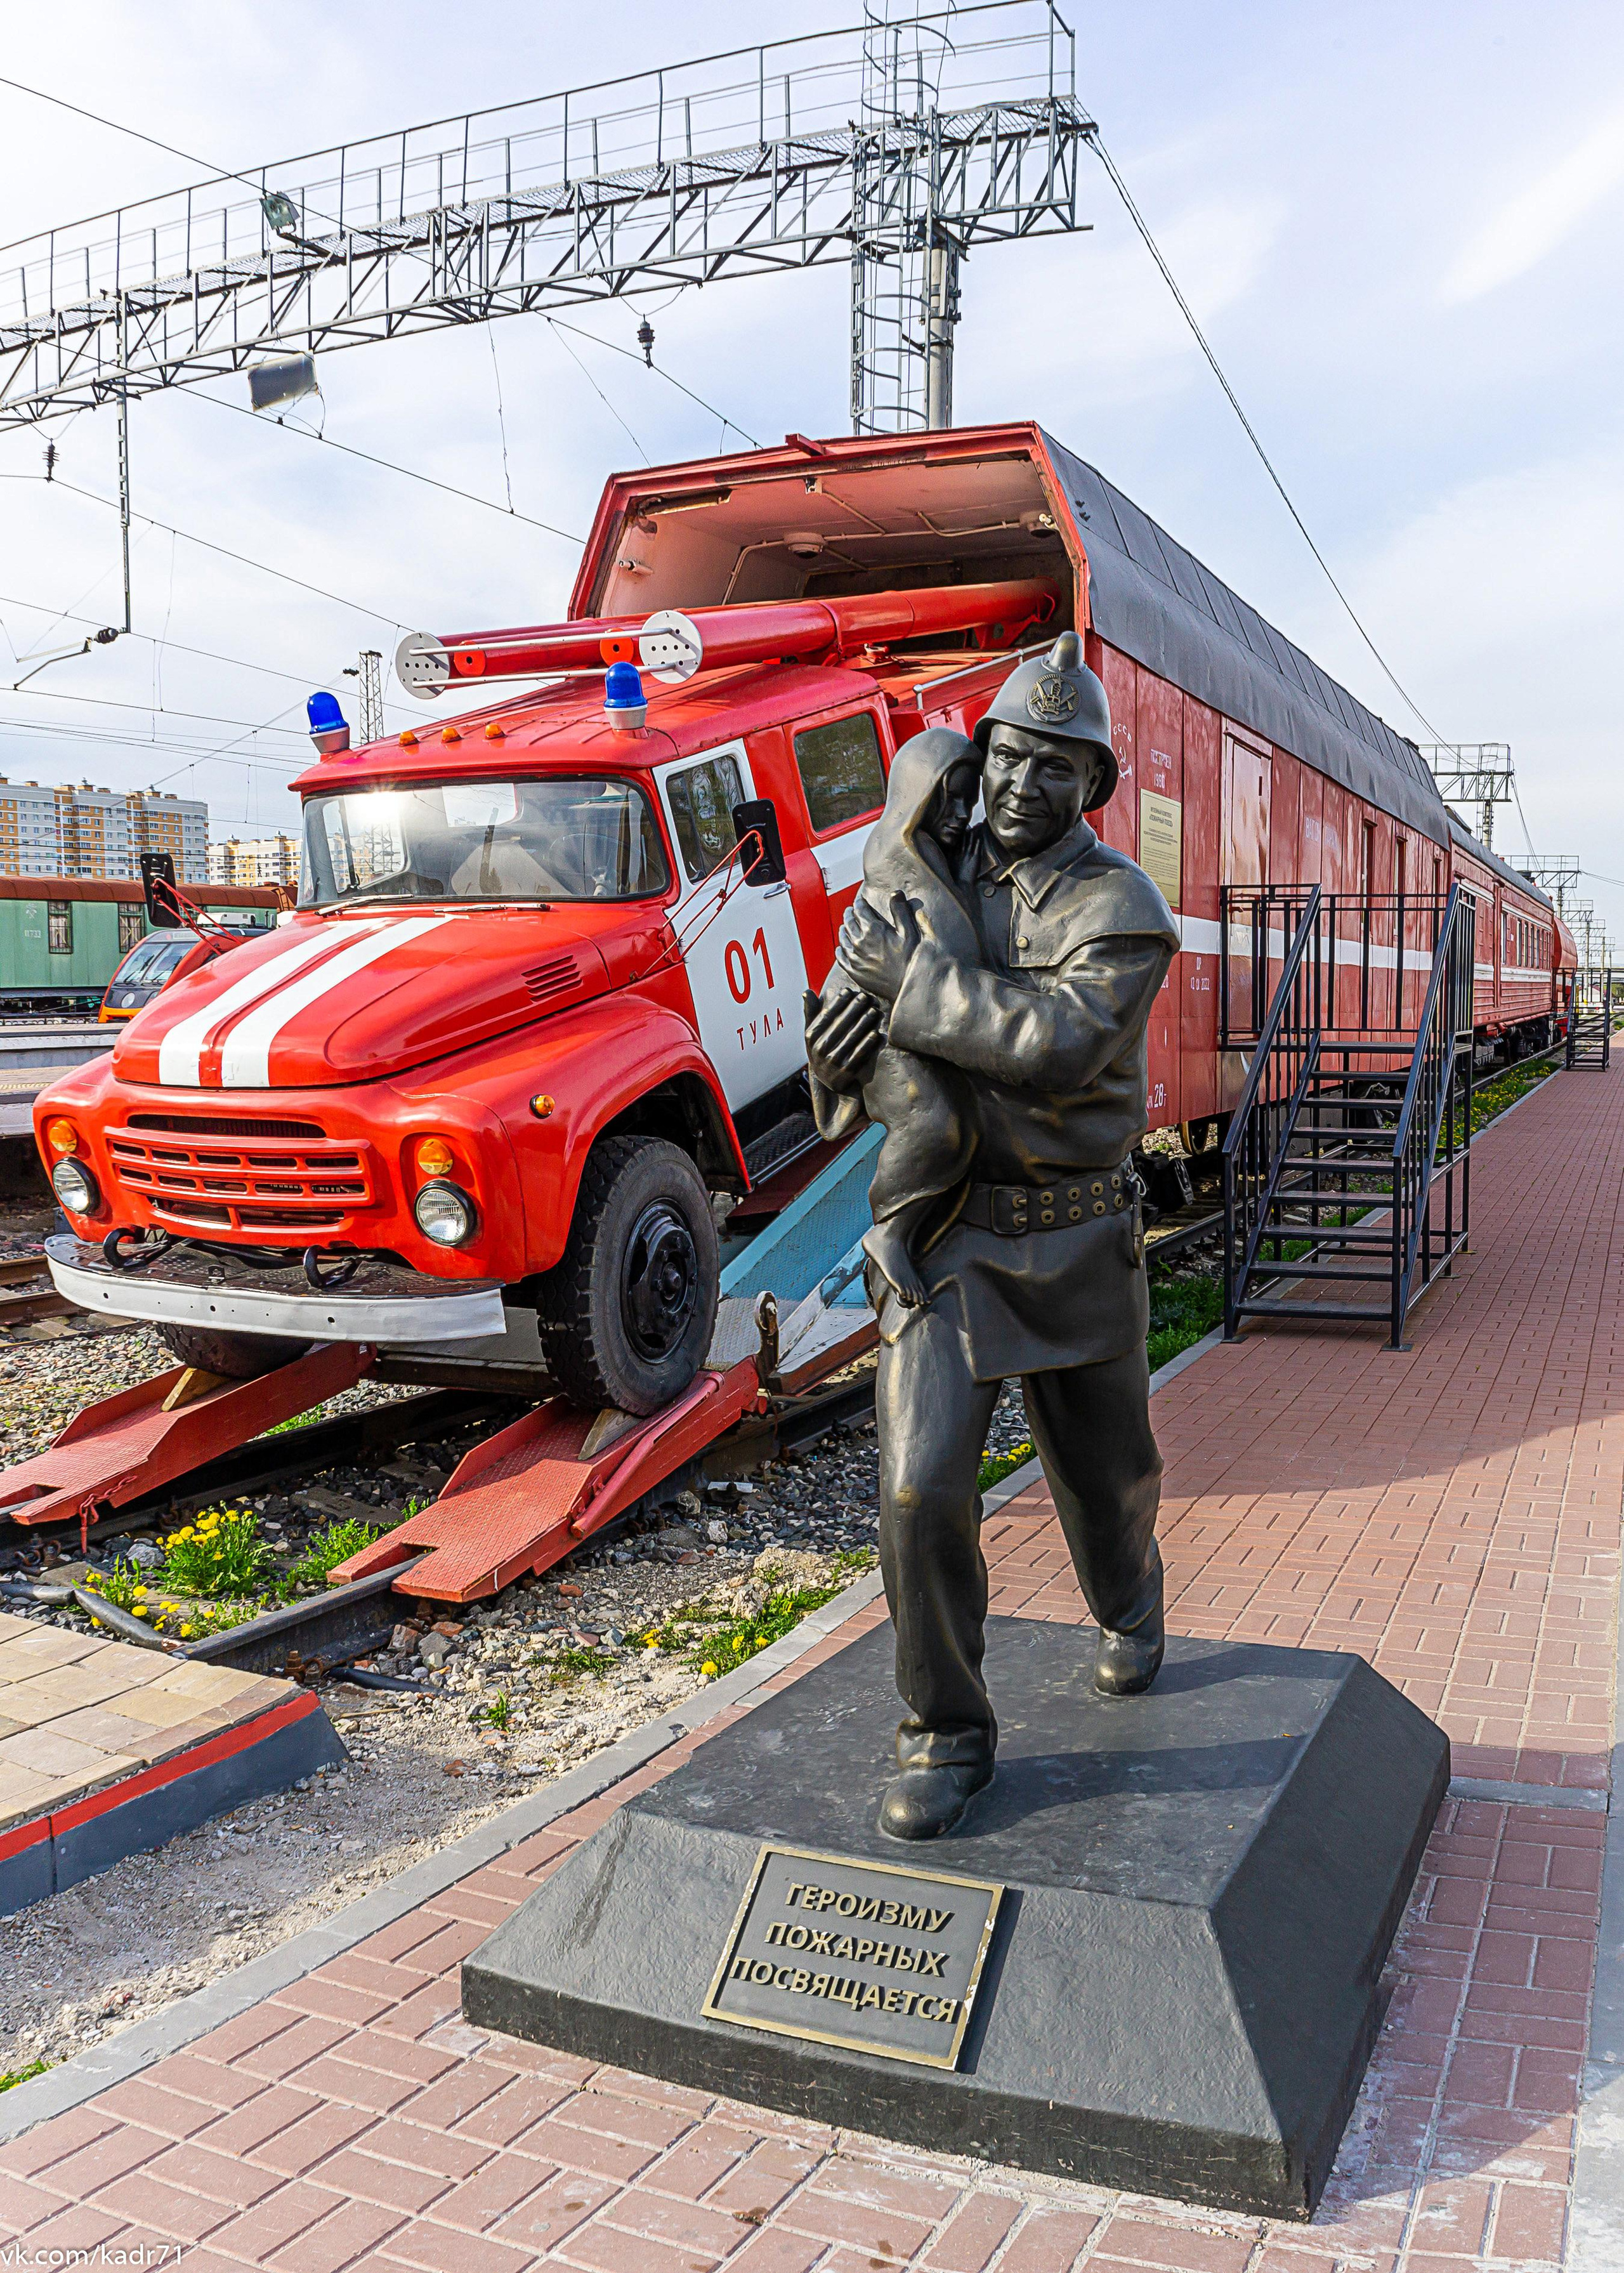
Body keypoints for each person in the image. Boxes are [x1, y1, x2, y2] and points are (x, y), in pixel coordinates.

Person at [806, 629, 1182, 1841]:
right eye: (1011, 758)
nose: (1025, 785)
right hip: (950, 1239)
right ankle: (946, 1730)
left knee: (1105, 1486)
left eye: (1056, 767)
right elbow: (853, 1009)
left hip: (1074, 1239)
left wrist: (910, 993)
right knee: (919, 1489)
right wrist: (837, 1049)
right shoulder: (926, 865)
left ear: (1095, 787)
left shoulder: (1119, 905)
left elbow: (1061, 1041)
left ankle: (1131, 1602)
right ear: (985, 758)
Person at [808, 727, 983, 1309]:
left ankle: (897, 1231)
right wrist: (828, 1068)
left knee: (943, 1124)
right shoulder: (904, 872)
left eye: (967, 798)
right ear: (916, 798)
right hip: (883, 1029)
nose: (960, 815)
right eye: (947, 799)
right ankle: (892, 1231)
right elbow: (935, 963)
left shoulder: (954, 864)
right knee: (935, 1123)